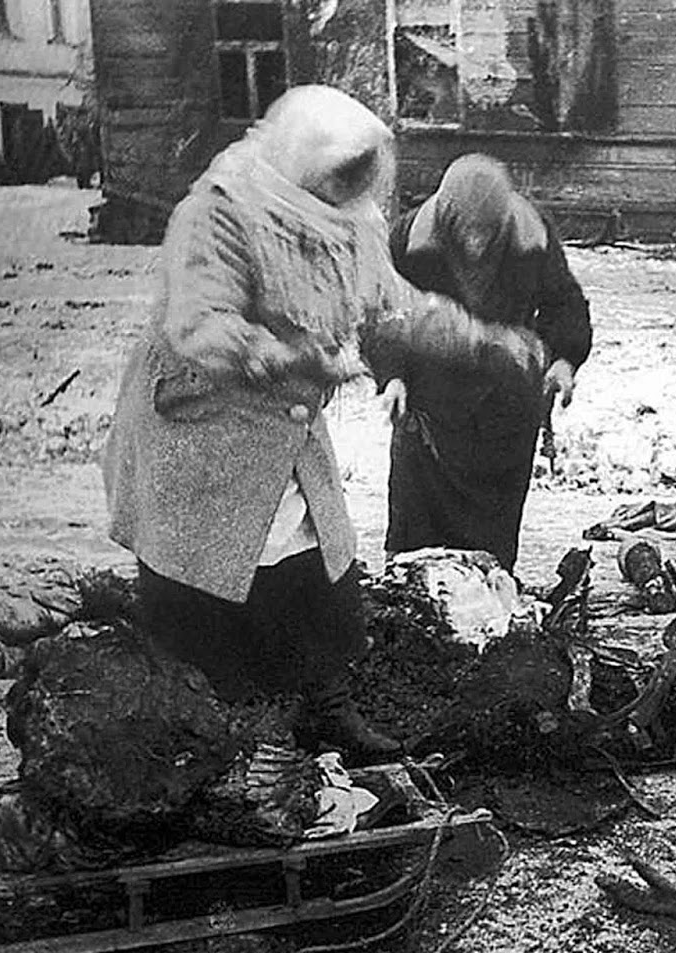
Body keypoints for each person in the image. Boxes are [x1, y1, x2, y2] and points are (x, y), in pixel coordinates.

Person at [103, 87, 545, 760]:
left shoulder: (349, 226)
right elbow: (200, 323)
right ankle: (221, 733)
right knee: (208, 584)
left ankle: (327, 708)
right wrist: (287, 356)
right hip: (197, 430)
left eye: (360, 175)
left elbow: (398, 309)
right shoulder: (220, 214)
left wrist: (486, 341)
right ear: (301, 160)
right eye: (339, 174)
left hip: (286, 430)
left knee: (318, 563)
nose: (351, 188)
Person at [371, 153, 593, 572]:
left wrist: (564, 359)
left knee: (492, 529)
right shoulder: (409, 238)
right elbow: (386, 314)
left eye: (485, 230)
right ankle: (409, 597)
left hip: (506, 402)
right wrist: (393, 376)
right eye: (465, 228)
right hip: (430, 404)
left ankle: (488, 595)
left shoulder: (533, 235)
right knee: (416, 524)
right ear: (446, 217)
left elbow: (564, 301)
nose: (475, 240)